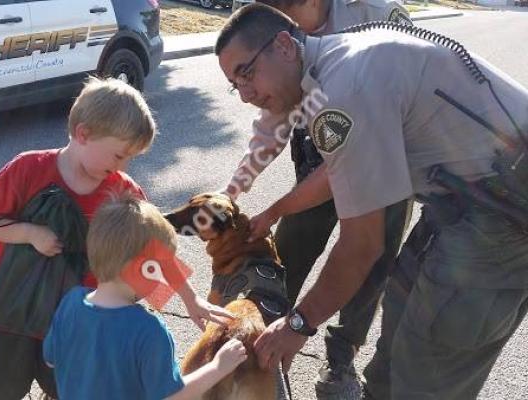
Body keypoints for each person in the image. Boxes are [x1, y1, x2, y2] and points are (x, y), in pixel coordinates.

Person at [217, 4, 528, 400]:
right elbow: (340, 170)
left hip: (504, 211)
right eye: (234, 84)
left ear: (284, 45)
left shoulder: (342, 88)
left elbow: (362, 246)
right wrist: (272, 210)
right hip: (464, 200)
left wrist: (297, 324)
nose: (245, 95)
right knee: (396, 332)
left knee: (427, 368)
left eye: (246, 72)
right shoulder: (327, 70)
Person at [0, 77, 233, 400]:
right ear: (83, 134)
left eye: (129, 158)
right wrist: (29, 232)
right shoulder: (28, 169)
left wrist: (189, 299)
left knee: (64, 390)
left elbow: (156, 248)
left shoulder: (123, 189)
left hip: (76, 321)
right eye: (119, 155)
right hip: (12, 315)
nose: (123, 166)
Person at [221, 0, 412, 396]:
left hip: (388, 168)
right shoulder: (273, 42)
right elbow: (274, 121)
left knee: (367, 267)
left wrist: (277, 207)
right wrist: (232, 190)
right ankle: (256, 344)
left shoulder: (374, 12)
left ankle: (339, 361)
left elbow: (388, 119)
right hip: (319, 159)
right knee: (286, 256)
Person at [44, 194, 248, 400]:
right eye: (161, 268)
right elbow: (171, 396)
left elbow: (51, 360)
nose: (163, 278)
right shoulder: (149, 331)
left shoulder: (70, 302)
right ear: (144, 268)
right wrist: (218, 367)